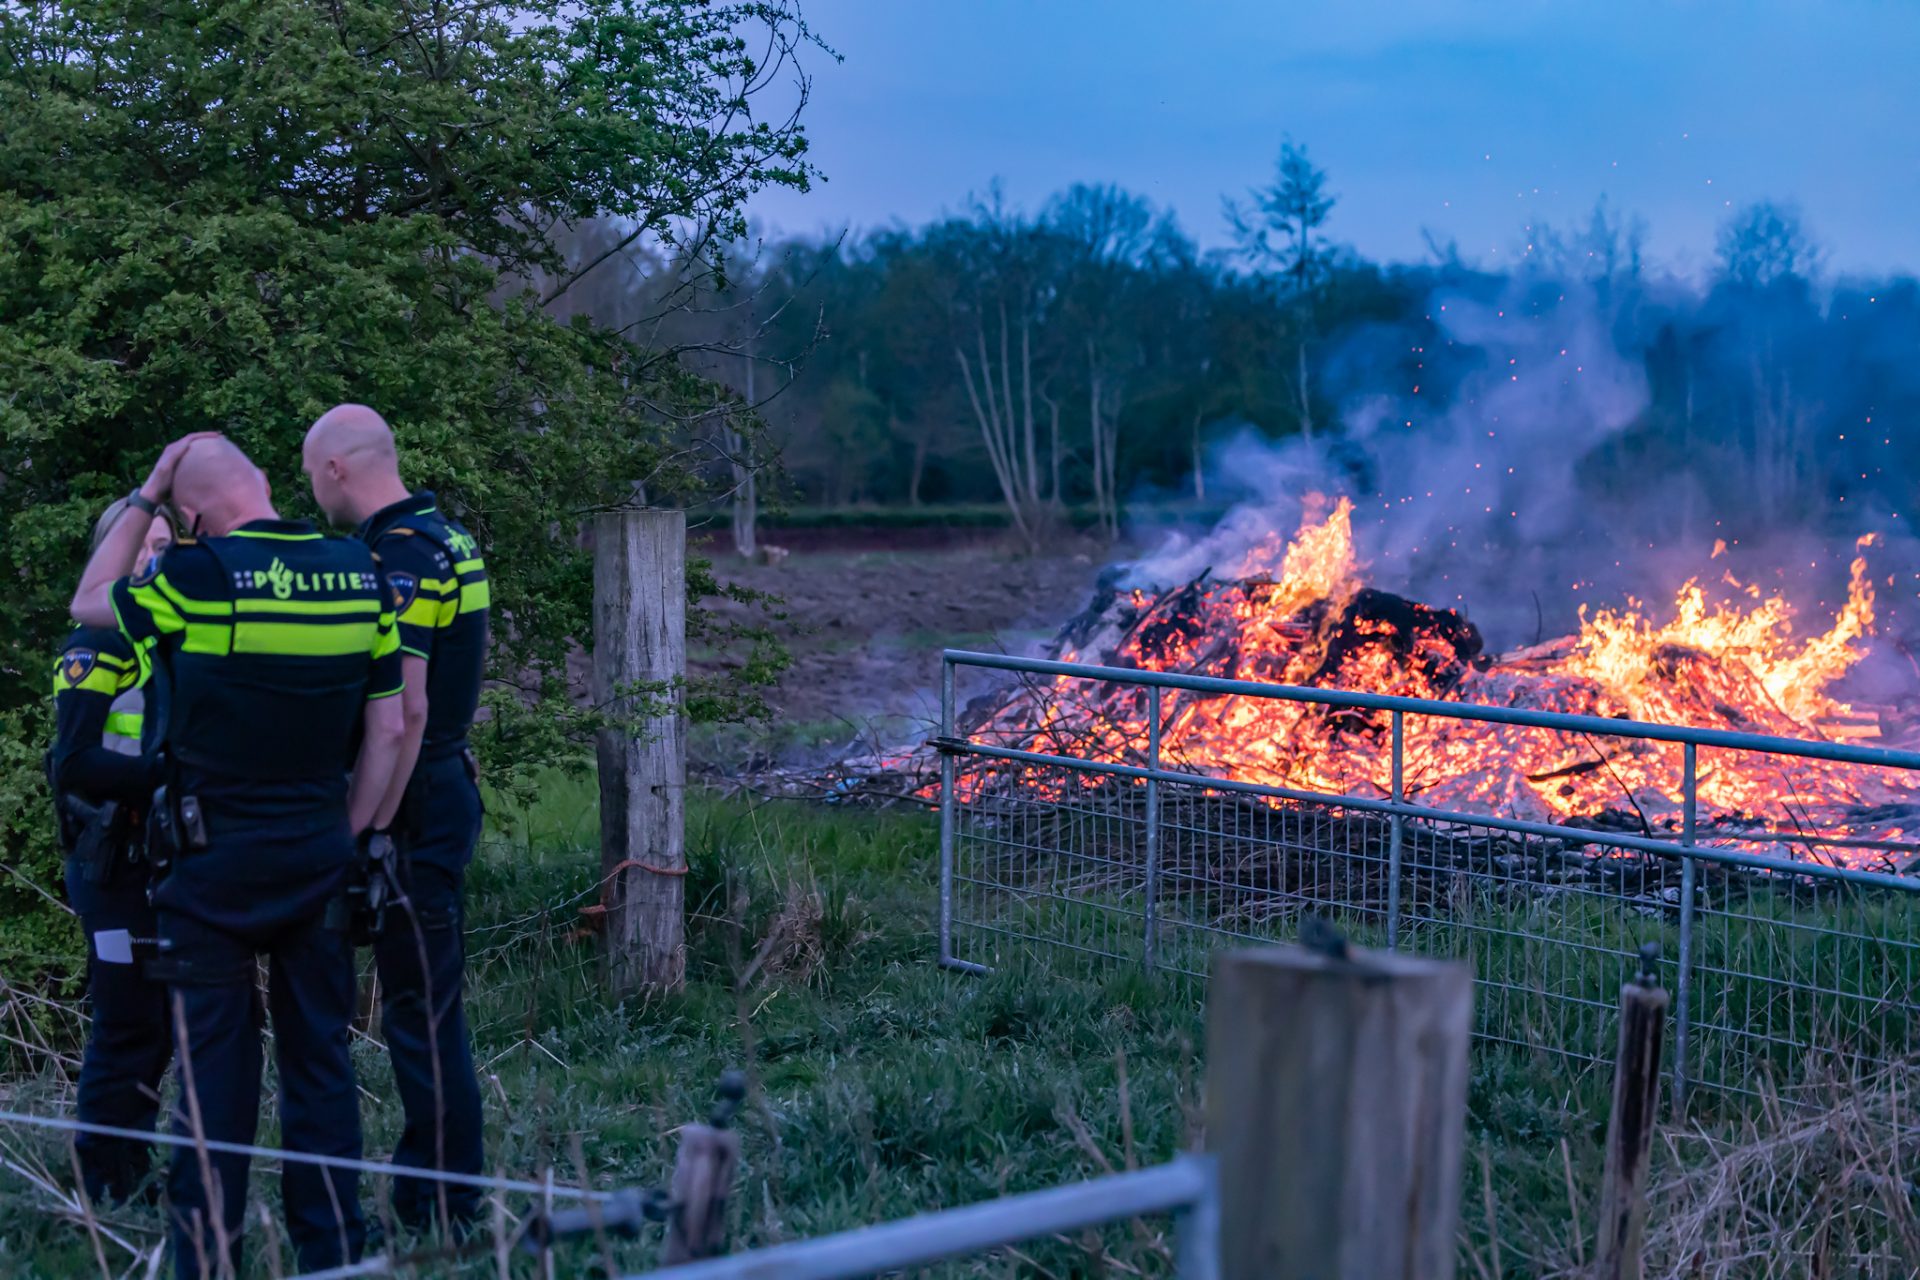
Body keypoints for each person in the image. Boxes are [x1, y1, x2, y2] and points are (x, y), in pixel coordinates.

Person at [70, 433, 408, 1279]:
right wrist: (346, 834)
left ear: (189, 515)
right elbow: (390, 728)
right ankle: (333, 1253)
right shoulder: (359, 571)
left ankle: (207, 1258)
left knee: (214, 1076)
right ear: (262, 481)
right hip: (318, 859)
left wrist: (147, 489)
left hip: (207, 867)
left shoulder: (195, 576)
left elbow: (90, 602)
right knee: (320, 1063)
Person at [303, 404, 489, 1232]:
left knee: (418, 1012)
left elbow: (404, 713)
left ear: (337, 468)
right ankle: (435, 1190)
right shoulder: (449, 537)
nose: (313, 493)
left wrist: (363, 828)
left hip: (409, 800)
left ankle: (442, 1203)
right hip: (439, 785)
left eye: (311, 475)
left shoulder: (401, 555)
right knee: (426, 1005)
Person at [50, 498, 177, 1205]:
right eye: (141, 546)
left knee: (158, 1028)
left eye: (166, 545)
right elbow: (74, 762)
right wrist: (175, 776)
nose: (154, 558)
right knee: (128, 1024)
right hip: (111, 859)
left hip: (158, 858)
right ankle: (100, 1187)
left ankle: (132, 1174)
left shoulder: (165, 638)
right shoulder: (97, 642)